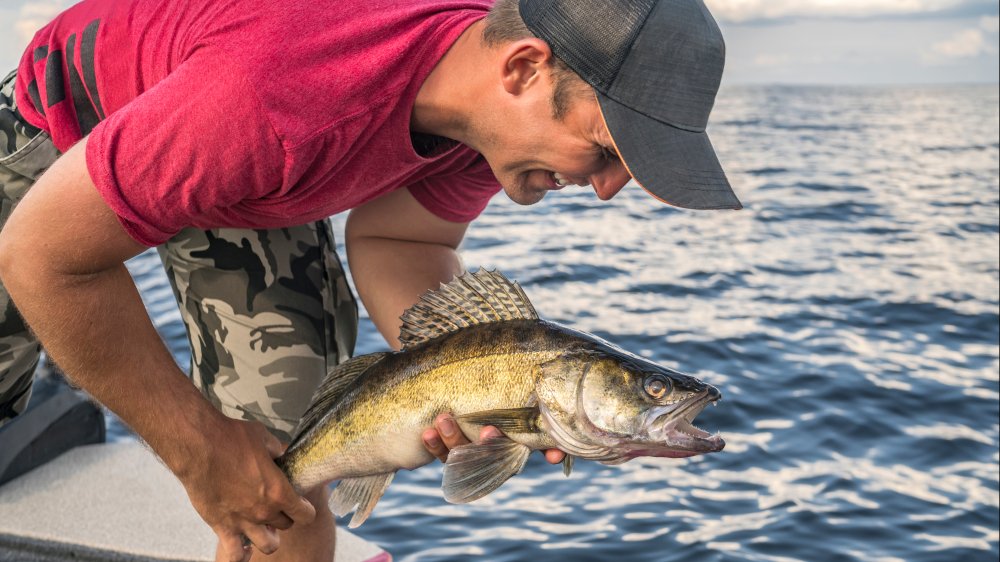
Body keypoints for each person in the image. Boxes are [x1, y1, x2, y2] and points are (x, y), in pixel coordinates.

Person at [0, 0, 740, 560]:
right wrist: (200, 452)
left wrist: (470, 386)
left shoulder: (483, 126)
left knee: (288, 474)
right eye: (606, 150)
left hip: (246, 174)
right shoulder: (276, 96)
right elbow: (42, 258)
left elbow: (399, 237)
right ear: (521, 70)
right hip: (81, 123)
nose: (608, 187)